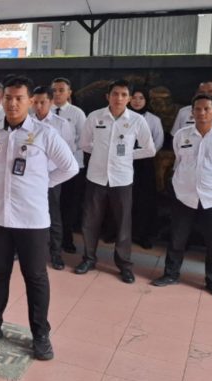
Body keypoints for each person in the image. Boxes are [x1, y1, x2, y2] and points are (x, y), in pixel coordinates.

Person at [0, 75, 78, 360]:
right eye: (8, 98)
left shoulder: (45, 134)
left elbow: (70, 168)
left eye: (19, 98)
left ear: (30, 102)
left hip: (31, 219)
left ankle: (40, 334)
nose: (13, 103)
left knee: (36, 277)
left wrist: (41, 183)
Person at [151, 94, 212, 298]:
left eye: (207, 109)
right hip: (184, 195)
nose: (201, 113)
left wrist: (211, 178)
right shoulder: (182, 135)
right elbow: (179, 160)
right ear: (192, 112)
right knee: (177, 238)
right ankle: (171, 274)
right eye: (197, 109)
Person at [74, 80, 156, 283]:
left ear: (129, 98)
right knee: (90, 221)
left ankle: (124, 265)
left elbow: (150, 149)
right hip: (96, 177)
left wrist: (127, 156)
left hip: (122, 179)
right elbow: (84, 144)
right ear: (107, 96)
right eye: (115, 94)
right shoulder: (95, 117)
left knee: (123, 224)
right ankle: (89, 259)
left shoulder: (137, 120)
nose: (119, 98)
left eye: (123, 95)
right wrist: (103, 154)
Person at [31, 86, 76, 270]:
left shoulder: (60, 124)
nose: (39, 106)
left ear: (50, 102)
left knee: (53, 216)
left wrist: (51, 180)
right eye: (35, 102)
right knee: (30, 216)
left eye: (43, 102)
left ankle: (56, 254)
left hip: (51, 179)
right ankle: (31, 251)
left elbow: (68, 153)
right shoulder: (26, 121)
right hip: (30, 179)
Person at [50, 77, 88, 254]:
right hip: (50, 168)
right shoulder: (45, 110)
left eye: (61, 90)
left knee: (69, 204)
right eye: (55, 90)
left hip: (73, 166)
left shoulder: (77, 113)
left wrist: (65, 153)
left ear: (69, 92)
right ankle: (51, 239)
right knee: (52, 204)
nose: (57, 93)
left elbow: (84, 138)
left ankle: (67, 238)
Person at [127, 87, 164, 249]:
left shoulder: (153, 119)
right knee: (123, 197)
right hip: (123, 161)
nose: (137, 101)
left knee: (144, 199)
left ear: (146, 101)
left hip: (144, 163)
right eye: (134, 97)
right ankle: (118, 232)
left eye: (141, 98)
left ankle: (142, 234)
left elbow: (158, 141)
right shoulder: (122, 116)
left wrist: (141, 154)